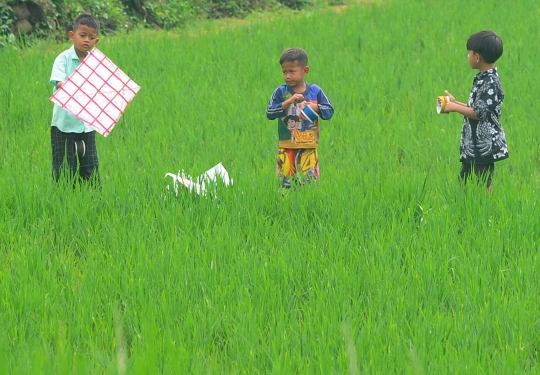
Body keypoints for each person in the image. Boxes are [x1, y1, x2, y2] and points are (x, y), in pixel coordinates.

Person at [442, 30, 508, 191]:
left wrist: (455, 107)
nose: (468, 56)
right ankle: (464, 209)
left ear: (477, 57)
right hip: (474, 144)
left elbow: (479, 113)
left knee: (483, 183)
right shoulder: (483, 78)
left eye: (469, 53)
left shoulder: (490, 83)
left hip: (484, 146)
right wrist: (455, 103)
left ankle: (488, 212)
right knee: (463, 181)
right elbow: (477, 108)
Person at [266, 48, 334, 188]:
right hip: (287, 147)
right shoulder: (281, 92)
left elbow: (329, 111)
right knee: (285, 185)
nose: (288, 76)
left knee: (310, 184)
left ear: (305, 71)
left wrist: (315, 107)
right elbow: (270, 113)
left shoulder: (315, 91)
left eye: (292, 71)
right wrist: (288, 102)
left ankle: (307, 206)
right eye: (284, 72)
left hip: (309, 146)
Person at [50, 14, 101, 186]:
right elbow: (59, 84)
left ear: (96, 41)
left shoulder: (94, 63)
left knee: (90, 165)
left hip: (87, 123)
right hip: (64, 124)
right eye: (83, 35)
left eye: (91, 37)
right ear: (72, 35)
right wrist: (78, 87)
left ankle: (92, 197)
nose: (87, 40)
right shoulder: (62, 59)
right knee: (65, 166)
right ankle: (65, 198)